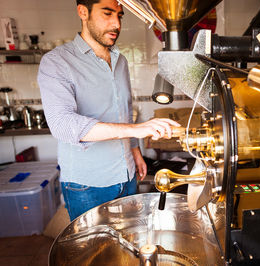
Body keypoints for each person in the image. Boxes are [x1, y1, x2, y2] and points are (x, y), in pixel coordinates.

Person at [37, 0, 180, 221]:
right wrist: (136, 129)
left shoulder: (120, 60)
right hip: (87, 185)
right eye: (107, 14)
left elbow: (123, 109)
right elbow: (63, 125)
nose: (116, 24)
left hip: (127, 174)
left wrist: (134, 151)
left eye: (120, 16)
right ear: (83, 12)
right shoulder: (57, 62)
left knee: (126, 245)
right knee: (95, 253)